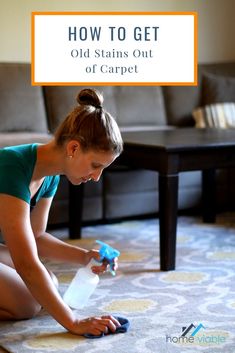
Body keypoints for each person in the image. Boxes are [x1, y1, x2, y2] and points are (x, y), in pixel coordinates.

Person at [0, 88, 123, 336]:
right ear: (74, 148)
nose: (97, 177)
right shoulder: (12, 167)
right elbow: (25, 262)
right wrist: (73, 322)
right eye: (96, 165)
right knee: (27, 302)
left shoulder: (50, 176)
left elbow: (35, 237)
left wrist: (85, 257)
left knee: (50, 285)